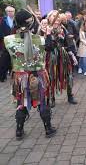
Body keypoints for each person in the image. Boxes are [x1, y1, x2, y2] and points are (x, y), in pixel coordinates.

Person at [4, 9, 56, 140]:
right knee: (42, 102)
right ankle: (48, 129)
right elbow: (51, 47)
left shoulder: (8, 40)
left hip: (20, 78)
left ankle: (19, 131)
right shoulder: (41, 40)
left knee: (21, 102)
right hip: (37, 76)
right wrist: (48, 34)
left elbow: (5, 61)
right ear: (32, 24)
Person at [45, 11, 78, 107]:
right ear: (49, 18)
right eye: (54, 17)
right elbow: (47, 47)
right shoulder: (45, 28)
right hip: (51, 57)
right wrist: (48, 34)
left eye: (58, 17)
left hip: (63, 56)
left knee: (68, 75)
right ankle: (51, 98)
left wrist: (72, 54)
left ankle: (70, 95)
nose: (56, 19)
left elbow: (67, 43)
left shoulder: (63, 29)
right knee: (51, 77)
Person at [0, 6, 15, 82]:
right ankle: (2, 76)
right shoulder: (3, 20)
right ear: (6, 12)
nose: (10, 13)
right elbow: (1, 31)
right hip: (5, 42)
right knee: (4, 59)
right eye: (9, 11)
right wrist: (4, 39)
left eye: (12, 11)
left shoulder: (16, 20)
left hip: (14, 42)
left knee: (14, 59)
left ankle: (14, 75)